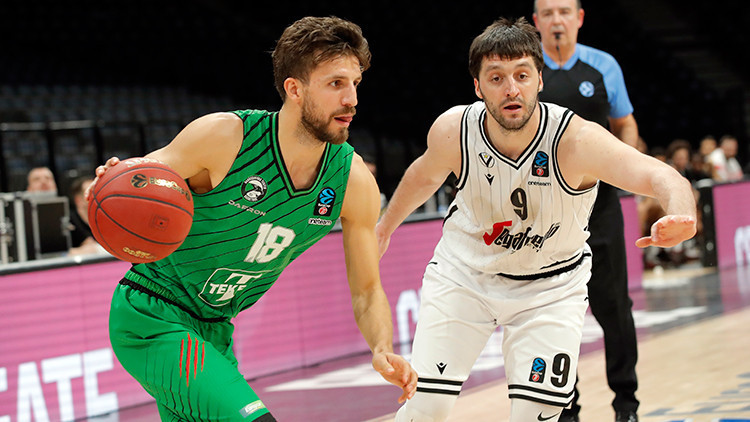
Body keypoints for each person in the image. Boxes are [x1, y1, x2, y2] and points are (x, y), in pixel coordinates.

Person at [88, 16, 416, 422]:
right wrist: (108, 181)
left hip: (216, 329)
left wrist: (381, 348)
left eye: (355, 83)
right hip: (152, 315)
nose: (351, 99)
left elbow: (366, 289)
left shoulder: (352, 181)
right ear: (294, 89)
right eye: (335, 83)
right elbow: (137, 179)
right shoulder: (225, 137)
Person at [375, 17, 696, 422]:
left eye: (522, 75)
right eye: (496, 78)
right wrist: (384, 227)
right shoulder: (454, 130)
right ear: (478, 87)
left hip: (550, 289)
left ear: (540, 80)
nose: (511, 89)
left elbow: (660, 175)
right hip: (464, 277)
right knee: (426, 409)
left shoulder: (575, 140)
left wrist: (682, 212)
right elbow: (424, 175)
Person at [533, 1, 641, 420]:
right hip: (545, 215)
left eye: (564, 12)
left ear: (578, 18)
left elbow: (625, 123)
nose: (556, 20)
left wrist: (624, 163)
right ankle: (566, 409)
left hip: (601, 207)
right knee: (554, 314)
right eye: (547, 13)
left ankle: (626, 404)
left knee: (614, 308)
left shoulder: (603, 66)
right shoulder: (526, 70)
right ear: (536, 21)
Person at [67, 176, 105, 256]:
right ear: (78, 200)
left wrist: (96, 249)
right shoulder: (67, 221)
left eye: (98, 191)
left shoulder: (107, 219)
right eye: (91, 193)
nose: (97, 196)